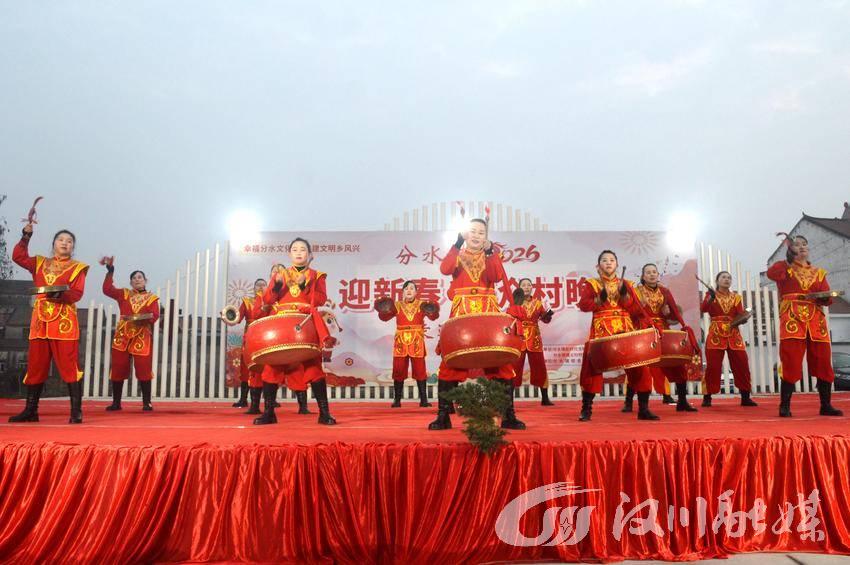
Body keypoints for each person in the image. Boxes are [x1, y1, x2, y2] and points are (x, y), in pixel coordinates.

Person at [429, 218, 524, 431]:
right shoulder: (458, 254)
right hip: (462, 314)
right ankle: (443, 416)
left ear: (486, 237)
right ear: (465, 234)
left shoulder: (492, 256)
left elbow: (496, 276)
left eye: (481, 232)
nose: (476, 235)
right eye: (472, 231)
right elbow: (444, 269)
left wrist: (490, 252)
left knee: (500, 363)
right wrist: (456, 243)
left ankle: (508, 415)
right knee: (449, 363)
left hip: (487, 312)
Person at [253, 239, 337, 425]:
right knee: (272, 366)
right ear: (289, 254)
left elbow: (321, 300)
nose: (299, 252)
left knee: (314, 367)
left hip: (305, 324)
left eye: (303, 249)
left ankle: (324, 413)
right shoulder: (281, 274)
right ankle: (269, 413)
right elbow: (268, 299)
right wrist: (276, 285)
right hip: (282, 326)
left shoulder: (317, 275)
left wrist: (303, 285)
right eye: (295, 249)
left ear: (309, 254)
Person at [10, 223, 88, 424]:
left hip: (64, 321)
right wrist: (26, 236)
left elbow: (77, 293)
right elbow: (18, 257)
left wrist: (60, 295)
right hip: (40, 322)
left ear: (73, 247)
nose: (65, 243)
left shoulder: (77, 268)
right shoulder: (39, 262)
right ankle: (31, 411)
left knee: (69, 365)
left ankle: (76, 412)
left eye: (69, 241)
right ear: (53, 243)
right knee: (36, 365)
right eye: (61, 239)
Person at [577, 250, 659, 421]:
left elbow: (636, 310)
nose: (608, 263)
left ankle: (643, 409)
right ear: (598, 266)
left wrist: (624, 296)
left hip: (625, 327)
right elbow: (583, 305)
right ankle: (586, 409)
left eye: (612, 260)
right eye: (604, 260)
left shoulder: (627, 284)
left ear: (617, 265)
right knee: (591, 366)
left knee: (639, 365)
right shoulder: (591, 284)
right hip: (601, 328)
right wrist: (598, 300)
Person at [767, 235, 842, 417]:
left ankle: (825, 405)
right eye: (797, 244)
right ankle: (784, 405)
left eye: (804, 244)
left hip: (815, 319)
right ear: (790, 249)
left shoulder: (819, 272)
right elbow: (771, 274)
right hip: (792, 317)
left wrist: (825, 297)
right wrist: (787, 260)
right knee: (791, 360)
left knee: (823, 360)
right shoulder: (785, 268)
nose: (801, 247)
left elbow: (826, 297)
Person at [631, 263, 699, 412]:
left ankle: (682, 401)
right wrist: (638, 307)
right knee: (640, 367)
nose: (652, 274)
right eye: (648, 272)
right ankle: (633, 403)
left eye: (654, 272)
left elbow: (675, 312)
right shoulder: (636, 291)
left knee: (676, 363)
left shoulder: (664, 291)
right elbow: (631, 313)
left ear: (658, 275)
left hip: (663, 331)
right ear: (643, 276)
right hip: (644, 330)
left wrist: (671, 315)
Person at [102, 258, 161, 411]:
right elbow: (107, 289)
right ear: (130, 282)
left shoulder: (152, 298)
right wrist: (110, 272)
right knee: (118, 367)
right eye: (134, 278)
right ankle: (116, 403)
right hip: (123, 336)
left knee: (143, 368)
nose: (137, 279)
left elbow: (155, 315)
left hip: (141, 335)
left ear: (145, 280)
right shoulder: (124, 294)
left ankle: (147, 403)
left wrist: (144, 318)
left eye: (140, 277)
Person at [375, 280, 439, 408]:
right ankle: (397, 400)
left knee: (420, 370)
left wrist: (432, 308)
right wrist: (383, 309)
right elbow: (384, 318)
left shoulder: (422, 305)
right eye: (406, 289)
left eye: (411, 288)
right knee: (398, 369)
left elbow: (433, 316)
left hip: (416, 340)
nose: (409, 291)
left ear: (416, 292)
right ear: (403, 292)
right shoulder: (397, 305)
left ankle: (424, 400)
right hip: (401, 341)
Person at [700, 271, 757, 407]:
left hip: (733, 332)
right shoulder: (710, 294)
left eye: (729, 278)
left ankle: (745, 397)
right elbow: (703, 309)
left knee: (742, 364)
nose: (727, 279)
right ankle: (707, 397)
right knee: (713, 366)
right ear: (717, 281)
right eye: (723, 277)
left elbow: (740, 314)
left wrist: (744, 317)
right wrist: (710, 298)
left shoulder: (736, 297)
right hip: (716, 333)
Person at [512, 278, 555, 406]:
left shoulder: (538, 303)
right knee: (515, 367)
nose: (526, 287)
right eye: (523, 285)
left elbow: (545, 320)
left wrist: (548, 315)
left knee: (540, 366)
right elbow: (510, 318)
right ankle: (509, 399)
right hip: (519, 337)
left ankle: (545, 398)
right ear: (519, 288)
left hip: (534, 337)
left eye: (529, 285)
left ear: (532, 288)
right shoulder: (515, 302)